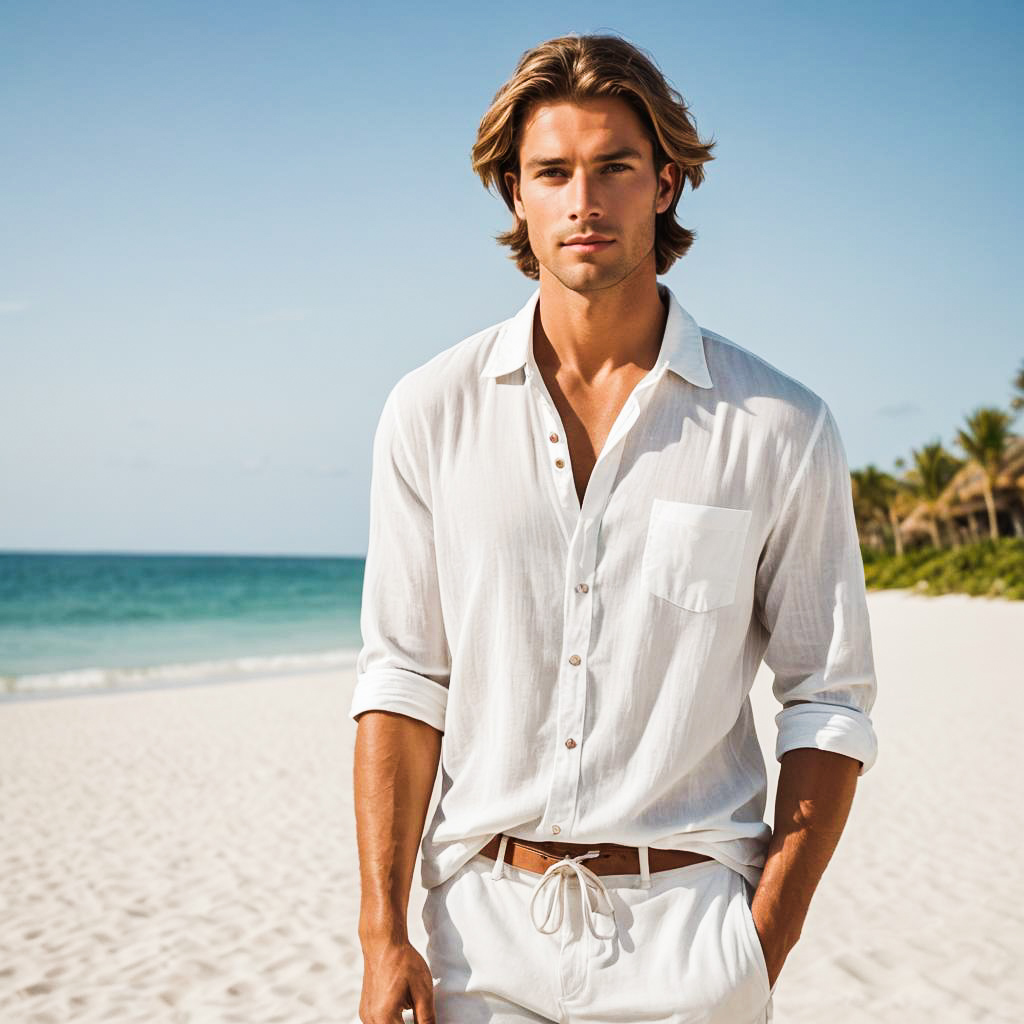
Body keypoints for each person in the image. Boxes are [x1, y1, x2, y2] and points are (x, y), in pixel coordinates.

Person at [350, 32, 878, 1024]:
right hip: (483, 938)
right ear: (516, 192)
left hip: (693, 940)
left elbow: (827, 699)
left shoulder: (780, 427)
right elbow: (403, 677)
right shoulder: (430, 410)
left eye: (614, 168)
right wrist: (384, 933)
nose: (582, 202)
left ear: (666, 183)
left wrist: (760, 942)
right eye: (552, 172)